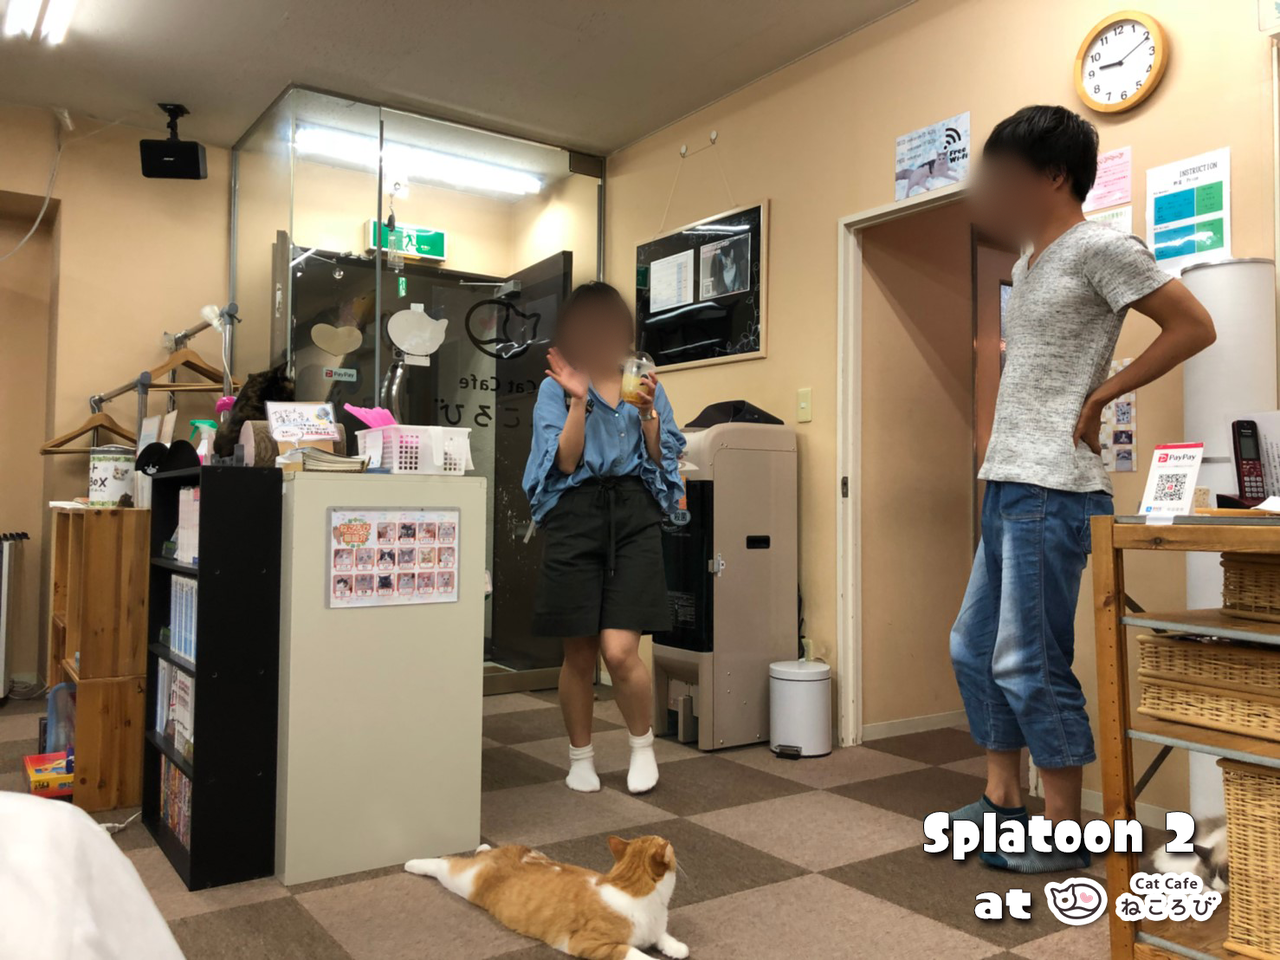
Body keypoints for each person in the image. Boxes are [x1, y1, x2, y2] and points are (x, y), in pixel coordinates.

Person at [950, 105, 1217, 873]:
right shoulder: (1031, 259)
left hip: (1056, 487)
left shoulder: (1102, 246)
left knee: (1028, 660)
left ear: (1054, 175)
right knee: (973, 647)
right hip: (1008, 480)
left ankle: (1063, 827)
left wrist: (1104, 394)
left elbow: (1193, 326)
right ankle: (1003, 801)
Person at [523, 282, 686, 795]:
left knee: (619, 651)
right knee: (579, 653)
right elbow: (565, 460)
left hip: (632, 514)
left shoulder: (643, 376)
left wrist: (648, 414)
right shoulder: (557, 385)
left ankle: (642, 747)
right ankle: (581, 758)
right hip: (576, 513)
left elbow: (662, 458)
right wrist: (578, 401)